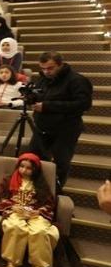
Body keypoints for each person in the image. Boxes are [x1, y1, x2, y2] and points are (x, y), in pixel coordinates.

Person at [0, 153, 58, 267]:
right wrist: (13, 207)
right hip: (16, 212)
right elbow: (1, 199)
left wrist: (39, 211)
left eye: (28, 168)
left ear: (35, 170)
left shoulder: (40, 184)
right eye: (22, 166)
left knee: (40, 231)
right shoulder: (9, 180)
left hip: (35, 213)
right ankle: (12, 263)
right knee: (16, 227)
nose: (24, 170)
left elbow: (49, 203)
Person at [28, 52, 93, 187]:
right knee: (34, 159)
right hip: (42, 127)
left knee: (60, 163)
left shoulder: (77, 80)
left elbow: (83, 104)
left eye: (50, 68)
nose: (46, 72)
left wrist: (47, 106)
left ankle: (55, 191)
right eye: (43, 68)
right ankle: (34, 189)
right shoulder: (42, 79)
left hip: (66, 128)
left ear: (60, 64)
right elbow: (39, 96)